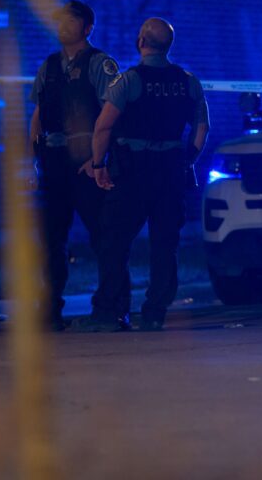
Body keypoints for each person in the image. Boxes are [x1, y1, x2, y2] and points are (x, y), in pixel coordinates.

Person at [90, 17, 209, 331]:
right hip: (170, 170)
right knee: (165, 244)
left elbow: (103, 127)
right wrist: (188, 159)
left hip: (132, 171)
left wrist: (99, 164)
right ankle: (155, 311)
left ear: (141, 42)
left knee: (114, 242)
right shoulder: (188, 81)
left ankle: (114, 311)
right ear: (168, 45)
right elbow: (201, 127)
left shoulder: (129, 81)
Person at [29, 0, 120, 330]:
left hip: (86, 162)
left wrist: (99, 161)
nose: (63, 26)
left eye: (71, 21)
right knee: (50, 241)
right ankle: (49, 311)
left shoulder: (100, 64)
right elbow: (38, 115)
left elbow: (113, 113)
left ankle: (111, 309)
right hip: (53, 161)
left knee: (104, 237)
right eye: (60, 21)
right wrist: (32, 160)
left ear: (87, 27)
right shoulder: (50, 65)